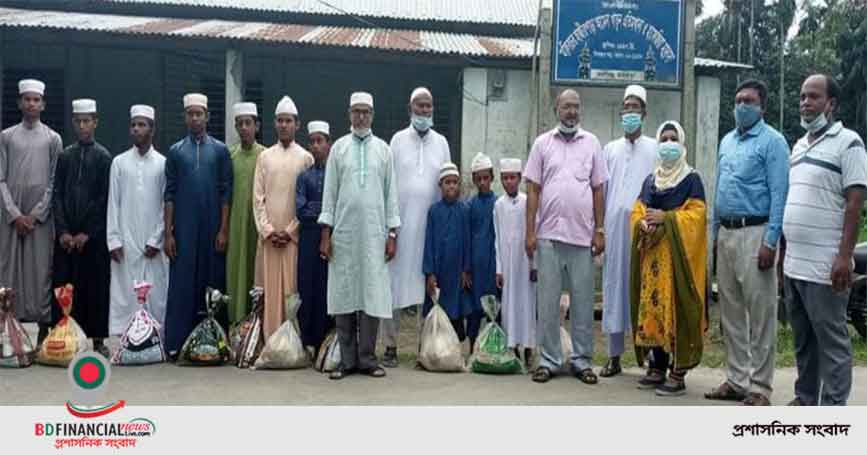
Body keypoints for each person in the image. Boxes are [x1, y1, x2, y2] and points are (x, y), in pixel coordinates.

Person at [706, 79, 790, 406]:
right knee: (731, 312)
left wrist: (771, 241)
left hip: (757, 233)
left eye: (749, 100)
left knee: (761, 313)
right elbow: (719, 191)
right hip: (726, 234)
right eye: (739, 99)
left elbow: (780, 194)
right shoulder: (726, 141)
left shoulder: (773, 142)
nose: (742, 105)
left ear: (762, 106)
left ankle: (761, 388)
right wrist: (715, 237)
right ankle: (737, 379)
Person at [783, 74, 865, 406]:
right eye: (803, 96)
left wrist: (844, 257)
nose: (806, 102)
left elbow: (855, 203)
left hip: (825, 266)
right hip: (794, 266)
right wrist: (783, 255)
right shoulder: (799, 145)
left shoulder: (850, 143)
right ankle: (805, 400)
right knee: (804, 342)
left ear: (831, 103)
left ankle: (833, 410)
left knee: (831, 342)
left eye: (814, 96)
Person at [525, 89, 607, 384]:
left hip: (582, 237)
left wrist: (600, 229)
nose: (571, 112)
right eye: (566, 106)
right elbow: (533, 188)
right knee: (547, 303)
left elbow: (598, 189)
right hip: (548, 236)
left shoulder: (593, 143)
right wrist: (529, 232)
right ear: (556, 109)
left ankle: (582, 360)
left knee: (584, 303)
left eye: (576, 107)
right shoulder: (542, 144)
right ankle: (548, 360)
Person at [319, 92, 400, 380]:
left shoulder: (384, 150)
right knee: (344, 295)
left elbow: (392, 196)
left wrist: (392, 234)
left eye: (366, 112)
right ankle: (347, 360)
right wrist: (326, 235)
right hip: (344, 234)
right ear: (349, 114)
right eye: (357, 111)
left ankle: (367, 359)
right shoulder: (339, 149)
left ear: (373, 115)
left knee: (371, 295)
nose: (361, 116)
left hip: (375, 234)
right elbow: (329, 195)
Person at [629, 121, 707, 397]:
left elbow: (698, 216)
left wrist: (668, 218)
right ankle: (657, 365)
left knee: (676, 311)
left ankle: (678, 372)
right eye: (664, 139)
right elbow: (638, 209)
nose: (669, 143)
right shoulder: (652, 180)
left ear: (682, 144)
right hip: (652, 259)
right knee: (653, 311)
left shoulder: (691, 178)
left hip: (677, 260)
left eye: (674, 138)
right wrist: (642, 224)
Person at [382, 87, 450, 368]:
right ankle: (390, 346)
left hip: (429, 231)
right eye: (419, 106)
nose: (424, 111)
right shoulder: (397, 141)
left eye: (428, 106)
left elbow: (447, 181)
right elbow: (387, 186)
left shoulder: (442, 142)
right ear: (410, 109)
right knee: (393, 287)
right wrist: (390, 230)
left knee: (428, 288)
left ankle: (426, 347)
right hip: (401, 228)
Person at [163, 93, 233, 357]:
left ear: (207, 116)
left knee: (212, 281)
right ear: (185, 117)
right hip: (184, 228)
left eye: (199, 113)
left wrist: (224, 229)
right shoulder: (176, 151)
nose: (195, 118)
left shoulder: (220, 150)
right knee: (182, 281)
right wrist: (169, 233)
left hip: (213, 226)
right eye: (190, 114)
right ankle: (176, 343)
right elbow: (169, 194)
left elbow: (226, 192)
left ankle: (216, 343)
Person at [599, 85, 657, 378]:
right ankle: (613, 356)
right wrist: (598, 229)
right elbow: (601, 191)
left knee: (643, 288)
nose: (630, 112)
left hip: (643, 230)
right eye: (626, 107)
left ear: (644, 113)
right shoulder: (609, 149)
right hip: (613, 230)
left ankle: (648, 357)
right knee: (614, 288)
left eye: (635, 107)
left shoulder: (656, 147)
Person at [0, 79, 62, 345]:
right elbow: (0, 179)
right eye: (27, 99)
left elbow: (53, 181)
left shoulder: (52, 139)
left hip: (40, 219)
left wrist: (36, 214)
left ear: (43, 104)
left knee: (41, 273)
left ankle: (43, 331)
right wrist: (14, 214)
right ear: (19, 103)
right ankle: (7, 331)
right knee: (8, 272)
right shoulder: (6, 137)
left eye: (36, 100)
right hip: (10, 217)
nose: (31, 104)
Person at [52, 98, 112, 357]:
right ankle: (60, 336)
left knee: (95, 287)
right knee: (64, 285)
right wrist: (64, 232)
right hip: (66, 238)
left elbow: (103, 199)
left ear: (95, 122)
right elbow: (57, 196)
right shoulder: (65, 156)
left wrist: (87, 233)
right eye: (78, 121)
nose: (82, 126)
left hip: (93, 239)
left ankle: (97, 339)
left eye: (87, 121)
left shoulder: (103, 157)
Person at [253, 96, 313, 339]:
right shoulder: (265, 157)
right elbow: (258, 199)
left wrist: (290, 231)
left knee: (291, 291)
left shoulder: (305, 158)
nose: (284, 125)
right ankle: (269, 341)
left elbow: (308, 202)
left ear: (297, 124)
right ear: (275, 124)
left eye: (288, 121)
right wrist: (267, 230)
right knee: (269, 291)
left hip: (292, 240)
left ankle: (291, 344)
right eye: (280, 121)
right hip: (269, 240)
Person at [107, 105, 169, 337]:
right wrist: (113, 240)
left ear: (152, 129)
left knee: (156, 291)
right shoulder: (119, 163)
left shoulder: (163, 164)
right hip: (126, 240)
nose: (136, 129)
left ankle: (154, 338)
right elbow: (113, 203)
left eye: (142, 125)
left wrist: (157, 238)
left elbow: (167, 205)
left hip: (154, 242)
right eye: (133, 125)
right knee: (125, 291)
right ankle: (126, 340)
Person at [422, 162, 473, 345]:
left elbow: (468, 242)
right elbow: (428, 243)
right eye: (447, 182)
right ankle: (433, 350)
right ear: (440, 186)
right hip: (439, 273)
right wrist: (430, 273)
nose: (451, 186)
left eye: (454, 182)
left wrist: (466, 269)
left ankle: (454, 352)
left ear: (459, 185)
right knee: (436, 310)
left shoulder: (465, 210)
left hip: (457, 273)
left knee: (456, 312)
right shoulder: (434, 211)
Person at [296, 120, 334, 354]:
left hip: (331, 236)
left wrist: (319, 210)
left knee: (326, 287)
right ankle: (307, 339)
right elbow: (301, 209)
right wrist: (323, 210)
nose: (316, 146)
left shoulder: (335, 175)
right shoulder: (304, 177)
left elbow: (337, 205)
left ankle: (326, 339)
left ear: (329, 144)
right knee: (307, 286)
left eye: (320, 141)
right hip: (308, 236)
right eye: (312, 141)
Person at [494, 157, 536, 369]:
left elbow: (534, 233)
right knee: (509, 305)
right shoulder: (498, 205)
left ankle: (529, 348)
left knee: (527, 305)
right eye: (505, 178)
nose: (509, 181)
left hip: (525, 263)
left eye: (512, 177)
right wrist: (499, 269)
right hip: (508, 265)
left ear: (520, 179)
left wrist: (534, 265)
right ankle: (512, 348)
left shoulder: (528, 201)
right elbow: (497, 239)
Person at [226, 102, 265, 326]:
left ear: (256, 126)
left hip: (258, 223)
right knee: (236, 272)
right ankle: (236, 324)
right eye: (239, 124)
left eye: (248, 123)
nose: (244, 128)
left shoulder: (265, 155)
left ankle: (256, 324)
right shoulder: (229, 155)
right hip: (235, 224)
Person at [466, 152, 497, 352]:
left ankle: (497, 347)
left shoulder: (499, 204)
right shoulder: (469, 206)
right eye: (479, 179)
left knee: (496, 308)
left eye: (486, 178)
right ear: (474, 180)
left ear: (492, 178)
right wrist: (466, 268)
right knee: (475, 310)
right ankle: (472, 349)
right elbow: (466, 238)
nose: (483, 182)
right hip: (476, 266)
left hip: (494, 264)